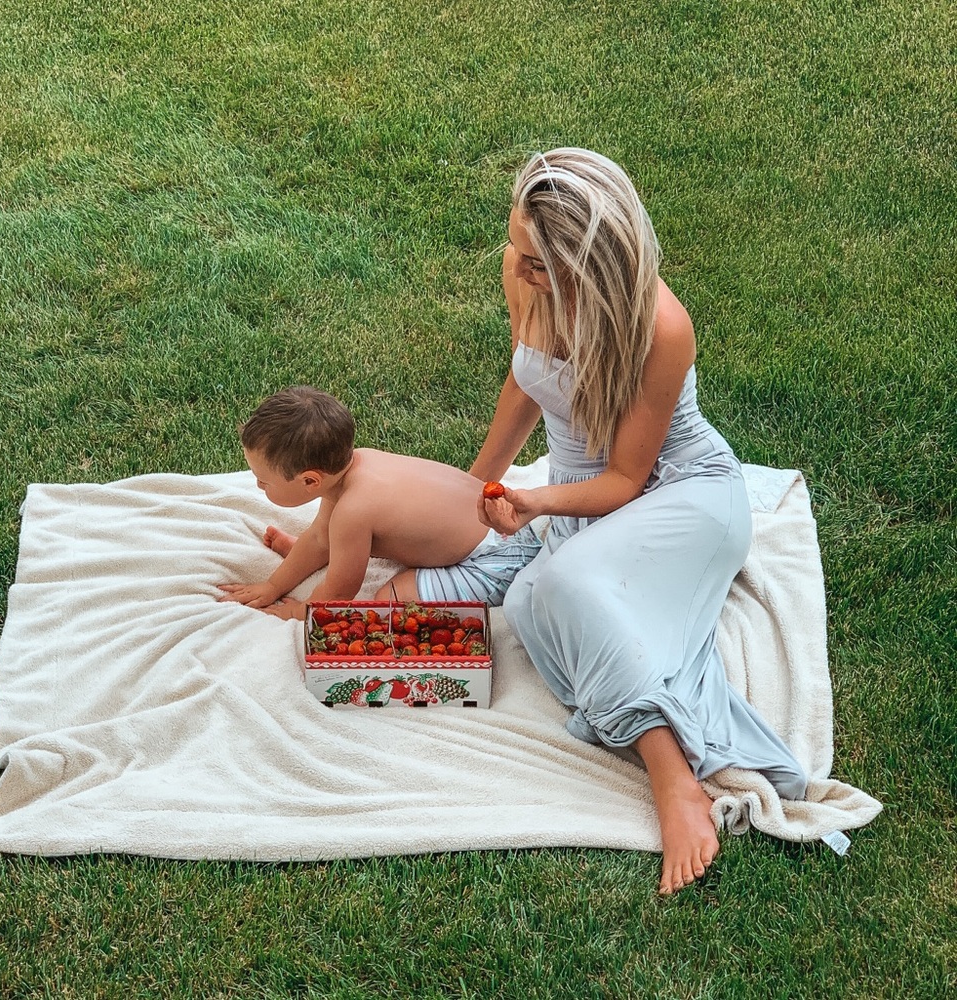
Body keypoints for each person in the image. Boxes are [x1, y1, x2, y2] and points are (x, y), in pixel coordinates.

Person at [471, 148, 808, 895]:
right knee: (527, 603)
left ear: (588, 267)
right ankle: (651, 704)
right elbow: (526, 382)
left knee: (562, 585)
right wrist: (476, 483)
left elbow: (625, 481)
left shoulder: (661, 326)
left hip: (681, 494)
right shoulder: (522, 268)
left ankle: (671, 776)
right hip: (583, 497)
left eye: (537, 263)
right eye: (517, 249)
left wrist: (534, 503)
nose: (517, 268)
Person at [217, 386, 542, 619]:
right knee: (330, 543)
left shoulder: (353, 511)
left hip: (496, 565)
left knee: (390, 598)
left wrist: (299, 611)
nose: (258, 485)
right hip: (506, 524)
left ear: (310, 481)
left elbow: (339, 593)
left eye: (264, 481)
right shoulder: (358, 464)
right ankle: (330, 554)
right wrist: (273, 585)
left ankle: (344, 557)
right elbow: (319, 537)